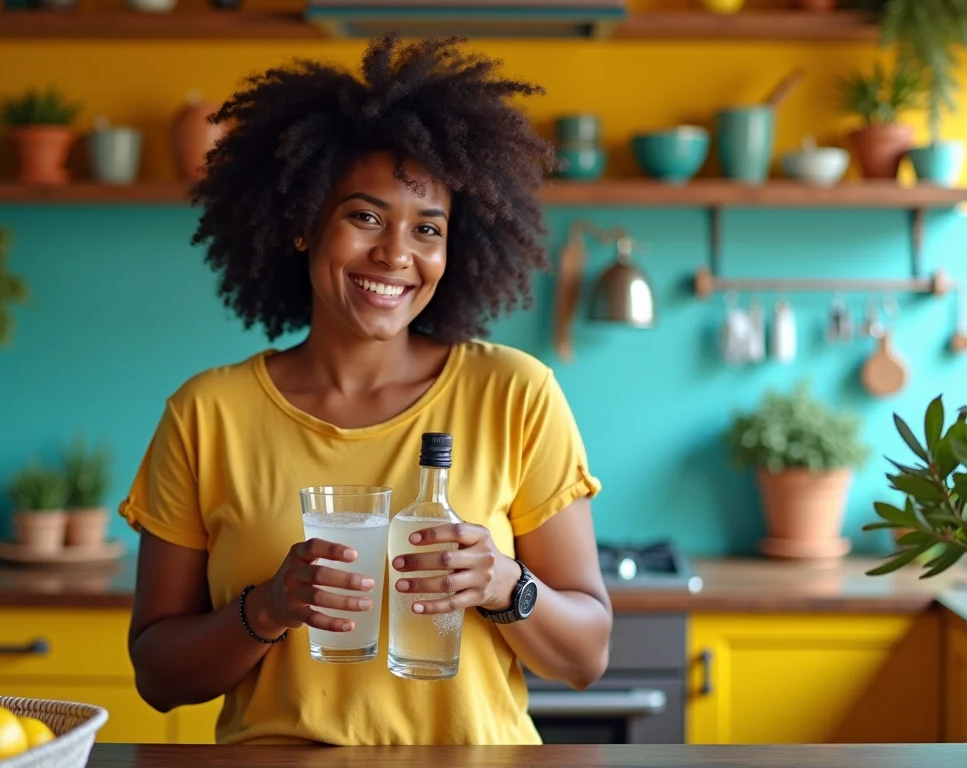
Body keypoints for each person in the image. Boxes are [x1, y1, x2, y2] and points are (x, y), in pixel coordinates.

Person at [119, 34, 612, 746]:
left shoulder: (515, 394)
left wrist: (505, 584)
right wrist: (267, 609)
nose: (396, 254)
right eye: (365, 216)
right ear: (304, 224)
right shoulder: (206, 415)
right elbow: (158, 678)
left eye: (427, 229)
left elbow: (587, 658)